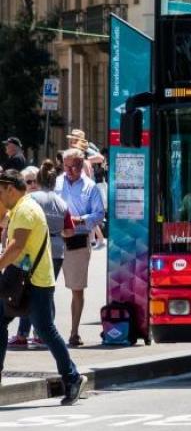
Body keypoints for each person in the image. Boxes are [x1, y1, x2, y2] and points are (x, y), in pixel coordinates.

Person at [0, 169, 85, 403]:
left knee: (46, 330)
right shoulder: (19, 208)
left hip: (35, 281)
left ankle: (72, 377)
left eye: (0, 190)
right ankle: (72, 377)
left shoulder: (26, 210)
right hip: (24, 280)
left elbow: (17, 247)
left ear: (10, 189)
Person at [9, 164, 71, 349]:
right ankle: (41, 333)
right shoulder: (61, 202)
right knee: (47, 292)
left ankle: (23, 334)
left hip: (33, 252)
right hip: (57, 250)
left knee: (25, 289)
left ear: (38, 180)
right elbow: (69, 230)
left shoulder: (30, 199)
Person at [55, 148, 105, 348]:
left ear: (82, 164)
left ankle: (74, 332)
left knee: (77, 289)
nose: (70, 170)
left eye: (74, 166)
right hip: (55, 240)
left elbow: (99, 214)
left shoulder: (90, 187)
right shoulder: (57, 183)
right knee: (44, 287)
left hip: (77, 240)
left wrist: (78, 220)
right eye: (66, 166)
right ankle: (43, 332)